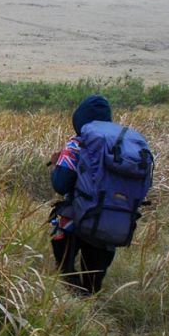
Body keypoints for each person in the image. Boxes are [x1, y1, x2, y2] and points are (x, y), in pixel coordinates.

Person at [49, 95, 116, 294]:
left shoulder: (77, 144)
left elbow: (61, 185)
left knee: (66, 268)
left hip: (78, 217)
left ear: (79, 119)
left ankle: (72, 300)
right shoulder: (122, 145)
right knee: (94, 279)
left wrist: (55, 165)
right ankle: (90, 300)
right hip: (114, 219)